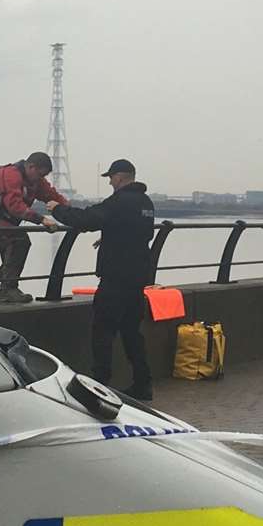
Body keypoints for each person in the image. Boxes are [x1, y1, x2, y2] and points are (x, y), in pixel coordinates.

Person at [52, 159, 157, 399]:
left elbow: (87, 219)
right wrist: (109, 237)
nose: (110, 181)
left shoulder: (120, 201)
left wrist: (56, 209)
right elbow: (141, 232)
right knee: (132, 332)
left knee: (103, 330)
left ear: (120, 177)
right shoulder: (145, 202)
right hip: (137, 276)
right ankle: (143, 383)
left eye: (111, 177)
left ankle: (99, 384)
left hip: (116, 277)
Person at [0, 151, 68, 305]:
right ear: (31, 167)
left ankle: (1, 289)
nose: (41, 179)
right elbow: (15, 206)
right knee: (15, 242)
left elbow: (52, 196)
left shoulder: (36, 181)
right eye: (40, 174)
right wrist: (42, 219)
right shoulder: (11, 175)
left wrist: (70, 212)